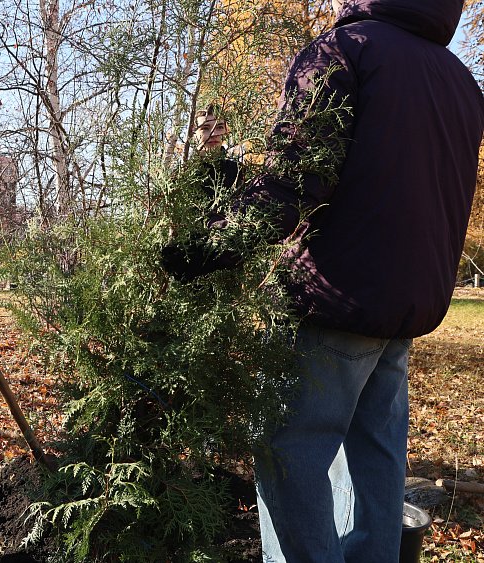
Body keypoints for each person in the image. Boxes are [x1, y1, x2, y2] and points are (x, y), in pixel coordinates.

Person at [163, 0, 484, 561]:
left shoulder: (346, 51)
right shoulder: (460, 79)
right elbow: (382, 174)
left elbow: (297, 181)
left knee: (292, 455)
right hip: (405, 307)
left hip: (335, 299)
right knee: (375, 459)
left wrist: (209, 244)